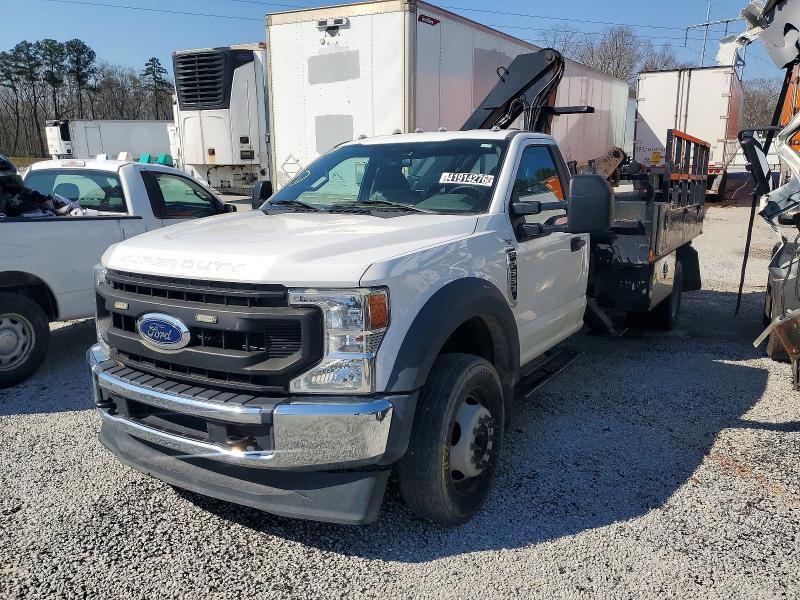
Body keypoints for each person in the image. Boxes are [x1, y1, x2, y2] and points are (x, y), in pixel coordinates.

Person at [0, 154, 88, 217]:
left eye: (10, 181)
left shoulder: (26, 199)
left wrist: (72, 210)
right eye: (7, 183)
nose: (10, 189)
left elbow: (66, 206)